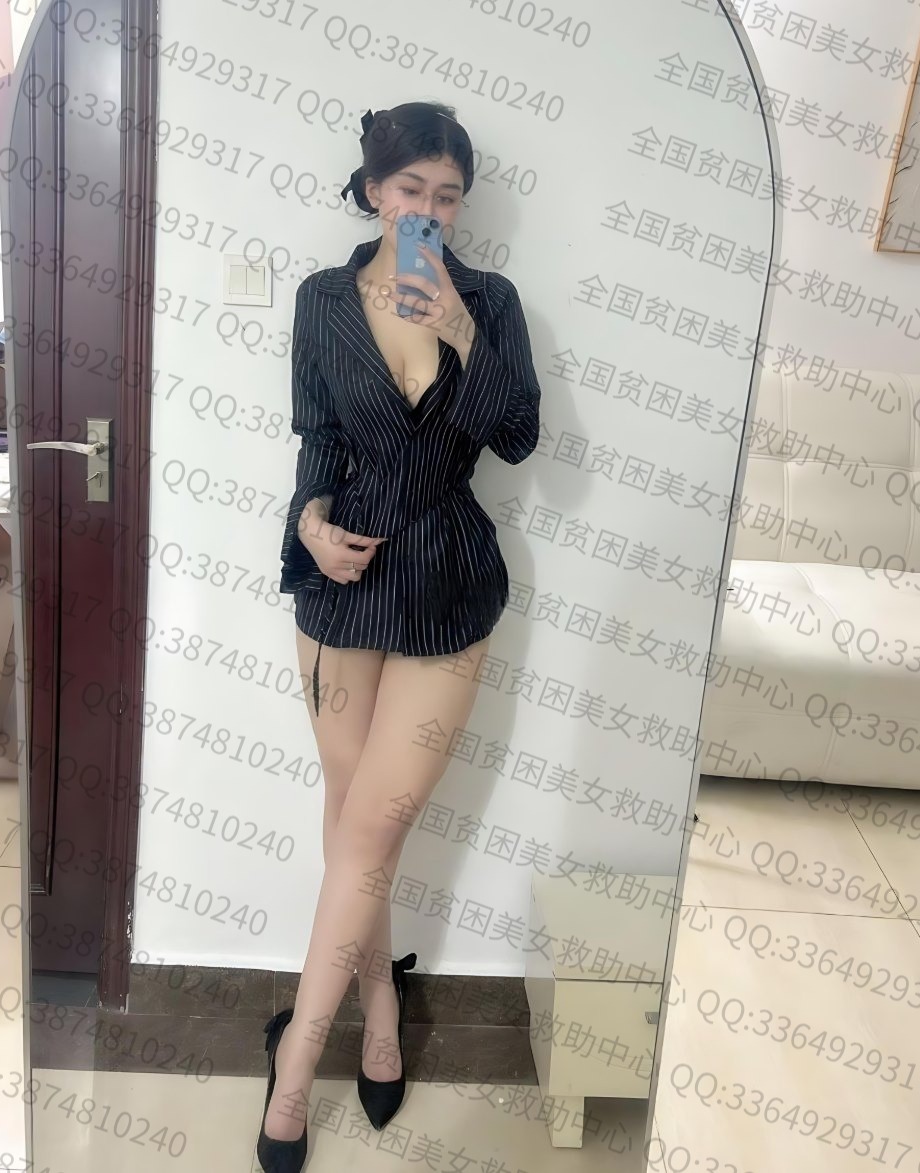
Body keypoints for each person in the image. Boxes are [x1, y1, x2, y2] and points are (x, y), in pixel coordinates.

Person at [255, 101, 541, 1172]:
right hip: (343, 586)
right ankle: (380, 1004)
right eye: (412, 188)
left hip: (448, 584)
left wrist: (459, 327)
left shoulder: (492, 301)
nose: (429, 208)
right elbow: (319, 441)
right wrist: (309, 523)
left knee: (371, 828)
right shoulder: (322, 300)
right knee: (354, 827)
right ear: (375, 190)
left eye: (448, 195)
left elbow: (519, 435)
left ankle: (294, 1069)